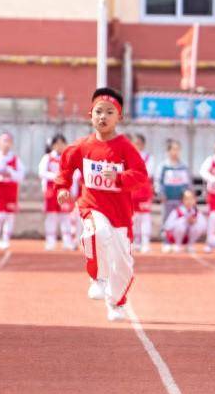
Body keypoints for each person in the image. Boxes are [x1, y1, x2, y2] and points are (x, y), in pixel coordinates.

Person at [55, 87, 149, 322]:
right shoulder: (80, 147)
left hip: (121, 214)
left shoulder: (125, 147)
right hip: (92, 206)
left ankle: (116, 303)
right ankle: (97, 277)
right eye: (98, 112)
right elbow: (65, 168)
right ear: (90, 115)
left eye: (109, 112)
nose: (103, 117)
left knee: (124, 265)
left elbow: (140, 175)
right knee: (98, 232)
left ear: (119, 118)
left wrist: (118, 178)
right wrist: (63, 188)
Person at [38, 134, 75, 251]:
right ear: (53, 145)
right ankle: (50, 241)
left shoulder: (68, 158)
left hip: (64, 191)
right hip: (51, 191)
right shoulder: (47, 158)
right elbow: (42, 172)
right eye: (57, 143)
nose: (60, 146)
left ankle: (67, 241)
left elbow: (73, 175)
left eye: (62, 143)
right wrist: (55, 176)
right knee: (51, 216)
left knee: (65, 216)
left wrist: (73, 191)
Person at [156, 139, 192, 253]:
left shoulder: (183, 166)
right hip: (168, 200)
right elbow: (158, 181)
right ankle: (166, 242)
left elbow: (188, 183)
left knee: (181, 221)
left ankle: (180, 242)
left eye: (177, 149)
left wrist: (188, 197)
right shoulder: (163, 166)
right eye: (173, 149)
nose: (175, 152)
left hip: (180, 201)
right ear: (168, 151)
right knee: (167, 221)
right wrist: (160, 193)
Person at [0, 133, 24, 250]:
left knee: (10, 216)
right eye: (4, 141)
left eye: (8, 141)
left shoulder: (15, 159)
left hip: (11, 190)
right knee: (0, 215)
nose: (6, 144)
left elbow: (20, 175)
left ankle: (5, 239)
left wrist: (10, 172)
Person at [130, 132, 154, 253]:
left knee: (145, 218)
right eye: (135, 143)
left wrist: (134, 174)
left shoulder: (149, 157)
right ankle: (135, 241)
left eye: (139, 143)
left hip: (144, 192)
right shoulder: (128, 156)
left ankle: (145, 242)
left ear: (143, 145)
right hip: (131, 192)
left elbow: (148, 173)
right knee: (134, 218)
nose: (136, 146)